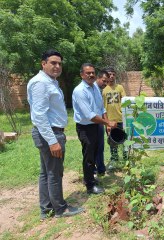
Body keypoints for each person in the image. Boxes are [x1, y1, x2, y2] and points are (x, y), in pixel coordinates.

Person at [27, 49, 84, 219]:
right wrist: (52, 141)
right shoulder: (41, 83)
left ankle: (46, 208)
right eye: (53, 63)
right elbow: (39, 116)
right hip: (50, 134)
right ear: (43, 63)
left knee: (46, 172)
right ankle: (60, 209)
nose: (57, 66)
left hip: (50, 132)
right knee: (54, 173)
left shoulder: (51, 82)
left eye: (59, 63)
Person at [72, 63, 116, 194]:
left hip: (97, 126)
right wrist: (108, 122)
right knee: (89, 157)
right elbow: (89, 115)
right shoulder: (80, 91)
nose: (91, 75)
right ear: (82, 75)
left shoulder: (95, 88)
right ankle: (90, 185)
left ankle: (92, 177)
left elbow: (101, 107)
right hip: (86, 128)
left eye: (92, 72)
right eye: (88, 73)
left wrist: (105, 122)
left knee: (97, 152)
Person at [102, 67, 127, 170]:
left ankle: (126, 160)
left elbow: (125, 102)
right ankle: (114, 160)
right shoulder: (103, 90)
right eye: (109, 74)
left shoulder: (120, 87)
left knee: (125, 141)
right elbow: (101, 107)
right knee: (112, 142)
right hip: (110, 121)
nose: (111, 76)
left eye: (113, 74)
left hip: (121, 119)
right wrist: (106, 122)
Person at [94, 70, 109, 177]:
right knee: (91, 149)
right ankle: (92, 171)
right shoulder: (90, 89)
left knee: (100, 147)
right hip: (90, 124)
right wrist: (107, 122)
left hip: (99, 122)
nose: (105, 84)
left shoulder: (99, 90)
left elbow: (102, 108)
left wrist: (107, 123)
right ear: (98, 78)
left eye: (107, 82)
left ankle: (100, 168)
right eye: (104, 81)